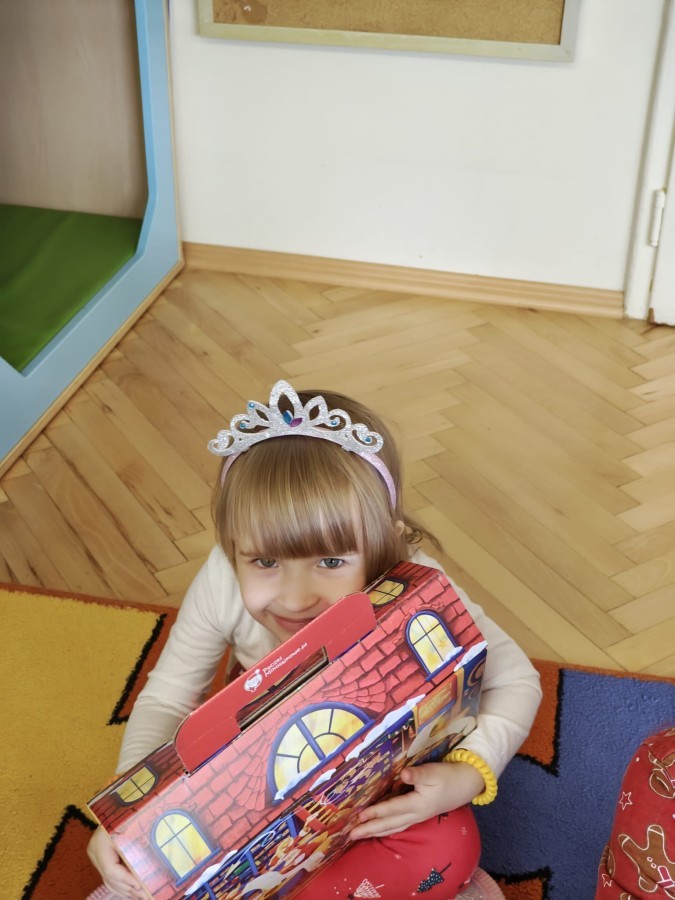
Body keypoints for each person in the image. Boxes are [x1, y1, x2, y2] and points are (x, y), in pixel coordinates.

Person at [87, 380, 542, 899]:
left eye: (330, 561)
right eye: (265, 561)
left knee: (450, 844)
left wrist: (467, 773)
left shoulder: (418, 578)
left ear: (384, 541)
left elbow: (516, 680)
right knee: (136, 879)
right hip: (256, 790)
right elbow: (168, 698)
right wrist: (131, 821)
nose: (296, 598)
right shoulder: (220, 580)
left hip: (381, 791)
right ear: (231, 547)